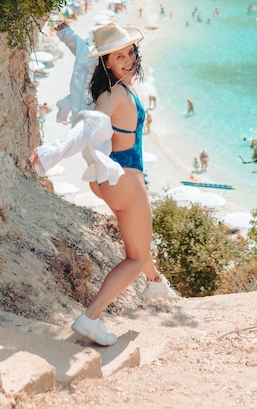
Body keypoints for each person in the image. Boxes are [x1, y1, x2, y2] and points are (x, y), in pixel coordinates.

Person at [30, 23, 177, 347]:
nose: (127, 60)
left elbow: (84, 54)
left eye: (130, 53)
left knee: (140, 240)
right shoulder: (114, 95)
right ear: (107, 63)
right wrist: (53, 152)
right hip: (125, 179)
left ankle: (155, 282)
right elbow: (90, 126)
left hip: (112, 180)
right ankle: (90, 318)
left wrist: (67, 35)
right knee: (134, 257)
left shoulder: (111, 86)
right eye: (118, 56)